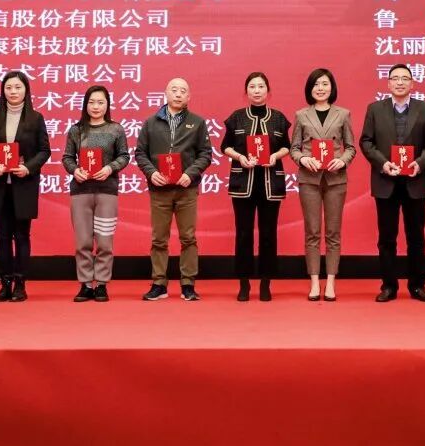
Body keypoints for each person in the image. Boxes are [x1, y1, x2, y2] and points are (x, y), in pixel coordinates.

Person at [360, 64, 425, 303]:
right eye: (395, 78)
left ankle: (417, 286)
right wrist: (383, 163)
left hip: (415, 181)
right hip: (385, 181)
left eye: (405, 78)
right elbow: (366, 142)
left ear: (412, 83)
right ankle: (388, 286)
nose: (400, 82)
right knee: (387, 238)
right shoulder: (375, 109)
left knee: (416, 237)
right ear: (388, 83)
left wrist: (420, 163)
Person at [135, 78, 213, 301]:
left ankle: (188, 283)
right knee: (159, 238)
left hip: (186, 188)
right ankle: (159, 283)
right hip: (159, 189)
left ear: (189, 97)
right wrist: (151, 173)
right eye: (174, 90)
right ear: (166, 93)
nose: (178, 94)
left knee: (188, 237)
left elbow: (206, 154)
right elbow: (140, 153)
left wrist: (190, 173)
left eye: (183, 91)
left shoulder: (197, 122)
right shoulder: (151, 123)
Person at [0, 71, 51, 302]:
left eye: (18, 87)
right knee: (2, 237)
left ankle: (20, 283)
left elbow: (44, 151)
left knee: (21, 236)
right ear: (3, 90)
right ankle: (5, 283)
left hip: (23, 185)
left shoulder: (36, 118)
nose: (13, 92)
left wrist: (28, 167)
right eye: (9, 87)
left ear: (26, 90)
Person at [221, 72, 291, 302]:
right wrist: (240, 157)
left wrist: (274, 156)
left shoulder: (278, 118)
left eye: (261, 86)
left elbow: (287, 146)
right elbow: (225, 147)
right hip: (243, 182)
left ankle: (265, 282)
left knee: (268, 233)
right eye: (252, 86)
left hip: (271, 182)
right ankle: (243, 283)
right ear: (246, 91)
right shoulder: (237, 118)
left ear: (268, 91)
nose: (257, 90)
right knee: (243, 234)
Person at [290, 68, 356, 302]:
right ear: (310, 89)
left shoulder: (343, 114)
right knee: (312, 232)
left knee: (333, 232)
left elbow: (351, 147)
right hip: (309, 179)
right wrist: (303, 159)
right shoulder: (301, 115)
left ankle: (331, 282)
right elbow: (294, 148)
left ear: (332, 87)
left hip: (336, 179)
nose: (320, 88)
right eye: (316, 84)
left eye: (325, 84)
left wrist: (342, 160)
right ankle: (314, 282)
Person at [61, 85, 130, 303]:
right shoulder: (76, 130)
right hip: (80, 192)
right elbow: (67, 158)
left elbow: (124, 156)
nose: (96, 106)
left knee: (104, 241)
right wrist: (75, 170)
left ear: (107, 105)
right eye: (91, 102)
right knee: (82, 241)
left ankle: (101, 284)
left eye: (100, 102)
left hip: (107, 192)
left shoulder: (116, 129)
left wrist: (109, 168)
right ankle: (85, 284)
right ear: (85, 105)